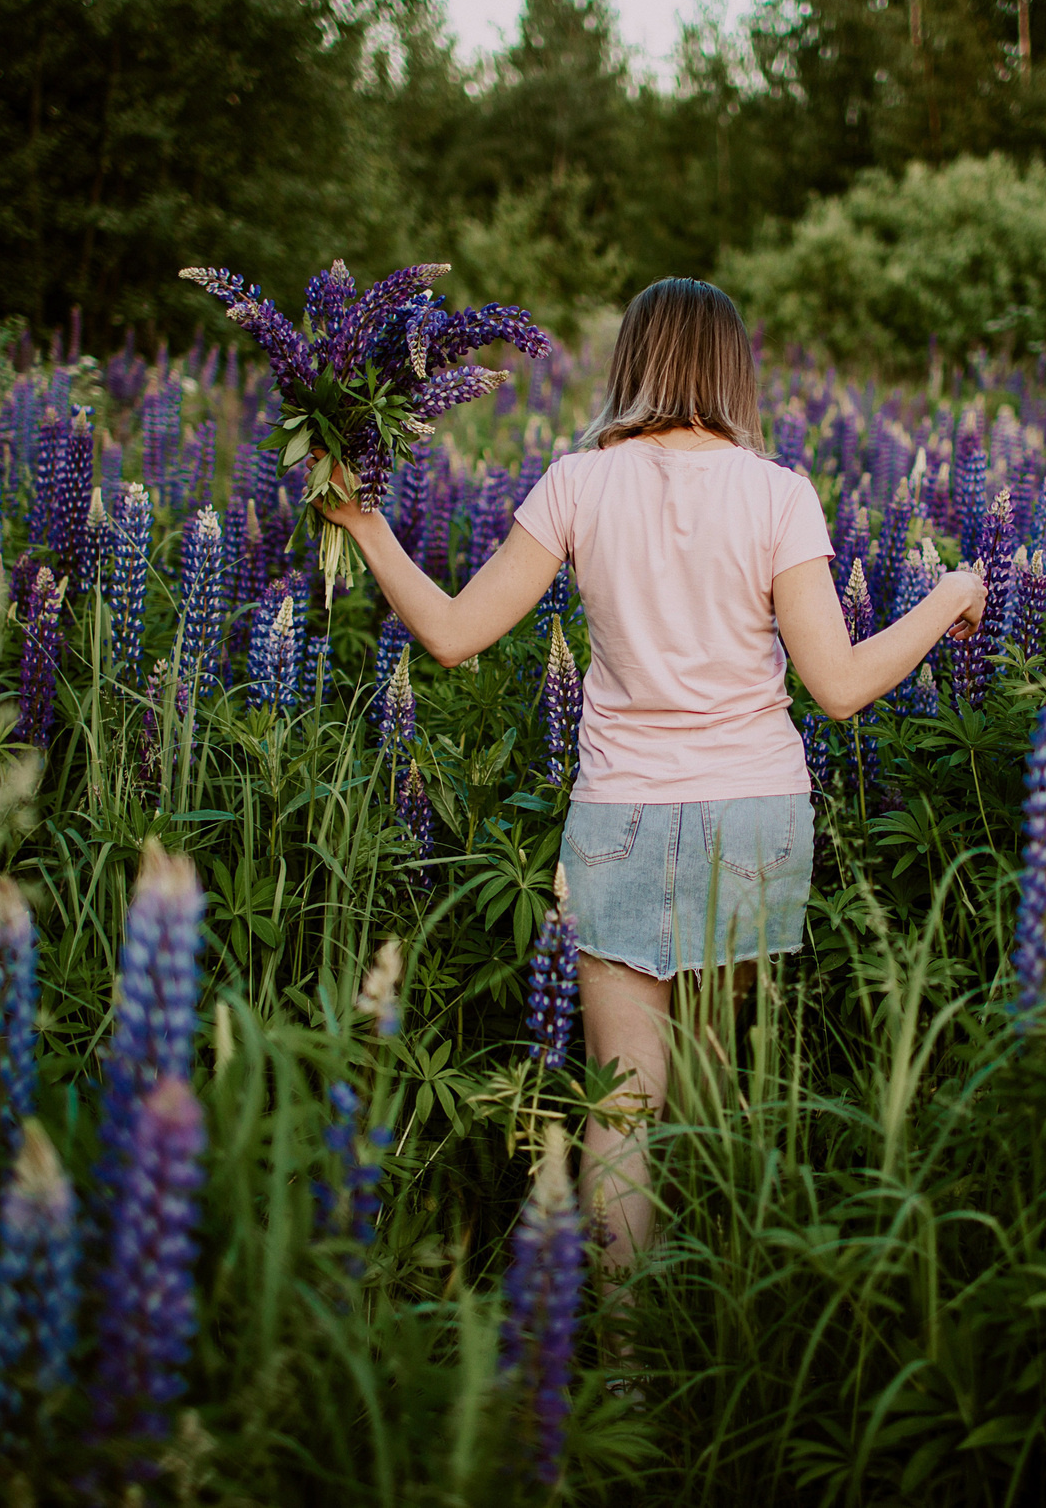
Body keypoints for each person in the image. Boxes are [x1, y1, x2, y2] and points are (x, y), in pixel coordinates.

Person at [319, 277, 985, 1283]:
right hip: (752, 815)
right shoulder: (778, 494)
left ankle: (625, 1353)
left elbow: (452, 635)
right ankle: (718, 1327)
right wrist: (948, 595)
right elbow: (840, 687)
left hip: (619, 813)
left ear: (632, 359)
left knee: (622, 1109)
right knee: (716, 1093)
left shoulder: (577, 483)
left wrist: (367, 525)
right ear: (733, 370)